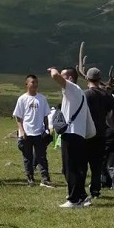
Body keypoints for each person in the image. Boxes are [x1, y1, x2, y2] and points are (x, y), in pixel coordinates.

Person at [49, 66, 95, 208]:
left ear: (69, 78)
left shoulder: (72, 88)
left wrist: (53, 70)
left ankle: (73, 199)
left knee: (69, 168)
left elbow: (55, 76)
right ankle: (82, 196)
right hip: (79, 134)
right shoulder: (79, 92)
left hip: (70, 133)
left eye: (64, 76)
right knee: (78, 167)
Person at [12, 75, 55, 188]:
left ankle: (45, 178)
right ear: (27, 84)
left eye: (36, 82)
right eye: (32, 82)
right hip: (26, 132)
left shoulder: (42, 98)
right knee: (27, 157)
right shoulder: (22, 99)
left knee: (42, 156)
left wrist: (47, 129)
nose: (35, 84)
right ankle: (30, 177)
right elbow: (18, 117)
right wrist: (22, 131)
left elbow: (46, 115)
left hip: (39, 132)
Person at [84, 67, 114, 199]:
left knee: (83, 164)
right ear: (99, 79)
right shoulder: (106, 96)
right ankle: (95, 190)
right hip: (101, 134)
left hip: (86, 133)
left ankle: (81, 190)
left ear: (87, 78)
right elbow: (111, 113)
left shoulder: (85, 94)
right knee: (97, 165)